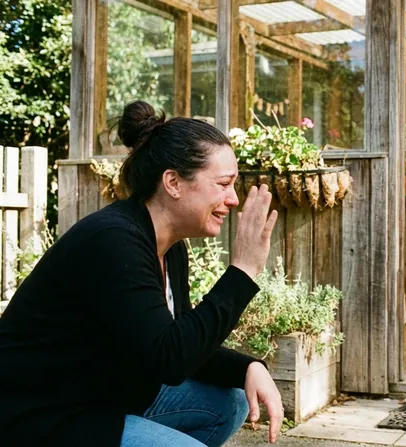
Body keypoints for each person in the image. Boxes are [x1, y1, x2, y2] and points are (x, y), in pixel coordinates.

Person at [0, 101, 284, 447]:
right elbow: (169, 360)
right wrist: (243, 270)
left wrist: (248, 367)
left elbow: (174, 341)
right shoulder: (113, 241)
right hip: (45, 416)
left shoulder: (169, 246)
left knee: (228, 402)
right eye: (223, 184)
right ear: (173, 183)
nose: (233, 199)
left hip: (102, 398)